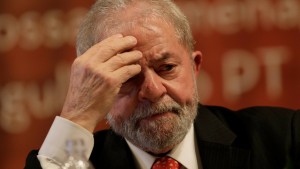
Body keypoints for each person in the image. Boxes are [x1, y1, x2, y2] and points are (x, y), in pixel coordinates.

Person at [25, 0, 300, 169]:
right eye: (127, 77)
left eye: (166, 68)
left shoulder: (281, 137)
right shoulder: (79, 161)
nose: (153, 90)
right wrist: (77, 116)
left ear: (195, 67)